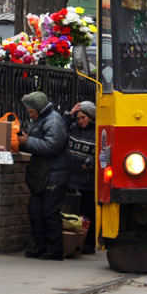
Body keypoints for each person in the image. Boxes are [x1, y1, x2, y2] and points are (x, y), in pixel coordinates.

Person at [17, 91, 71, 261]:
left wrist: (28, 141)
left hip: (54, 175)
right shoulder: (41, 119)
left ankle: (55, 249)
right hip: (42, 175)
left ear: (38, 109)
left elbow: (51, 147)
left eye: (31, 111)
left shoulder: (53, 121)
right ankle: (40, 246)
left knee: (49, 212)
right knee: (36, 211)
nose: (29, 114)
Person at [66, 101, 97, 255]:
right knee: (74, 215)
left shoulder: (97, 132)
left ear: (91, 117)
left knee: (89, 214)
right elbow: (59, 129)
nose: (81, 121)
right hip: (72, 180)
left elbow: (102, 154)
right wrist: (69, 115)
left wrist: (92, 162)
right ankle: (75, 243)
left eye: (83, 117)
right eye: (78, 118)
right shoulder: (72, 129)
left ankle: (89, 244)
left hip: (88, 182)